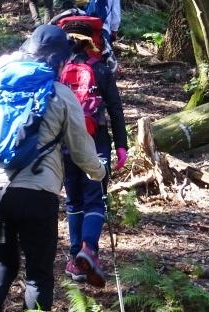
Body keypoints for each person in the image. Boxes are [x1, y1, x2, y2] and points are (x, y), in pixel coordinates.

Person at [0, 25, 107, 312]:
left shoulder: (1, 86)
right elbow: (82, 151)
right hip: (37, 194)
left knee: (0, 264)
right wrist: (99, 172)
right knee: (37, 275)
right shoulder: (60, 94)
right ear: (59, 60)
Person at [59, 33, 128, 287]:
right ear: (91, 44)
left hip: (66, 144)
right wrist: (121, 145)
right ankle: (88, 250)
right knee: (95, 201)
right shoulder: (101, 69)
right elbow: (115, 109)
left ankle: (74, 258)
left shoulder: (60, 70)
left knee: (74, 201)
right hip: (96, 141)